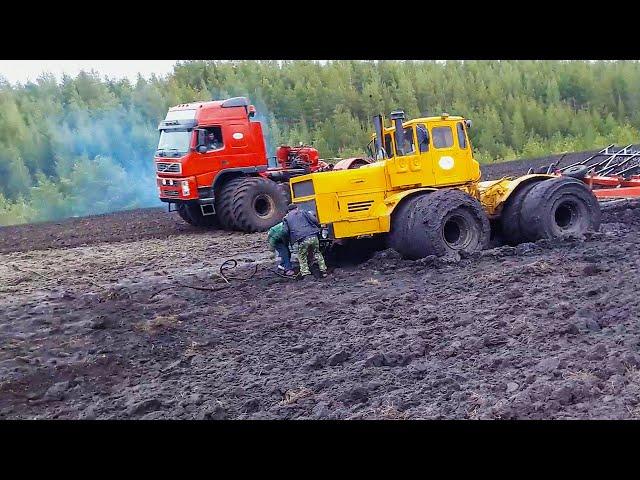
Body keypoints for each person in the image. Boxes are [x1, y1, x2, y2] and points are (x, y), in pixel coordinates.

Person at [282, 204, 327, 280]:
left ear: (289, 211)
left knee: (302, 256)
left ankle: (306, 273)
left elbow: (285, 231)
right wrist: (317, 228)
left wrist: (289, 239)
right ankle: (323, 271)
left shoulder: (286, 218)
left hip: (301, 239)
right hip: (313, 236)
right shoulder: (304, 212)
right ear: (297, 208)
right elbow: (315, 220)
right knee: (317, 252)